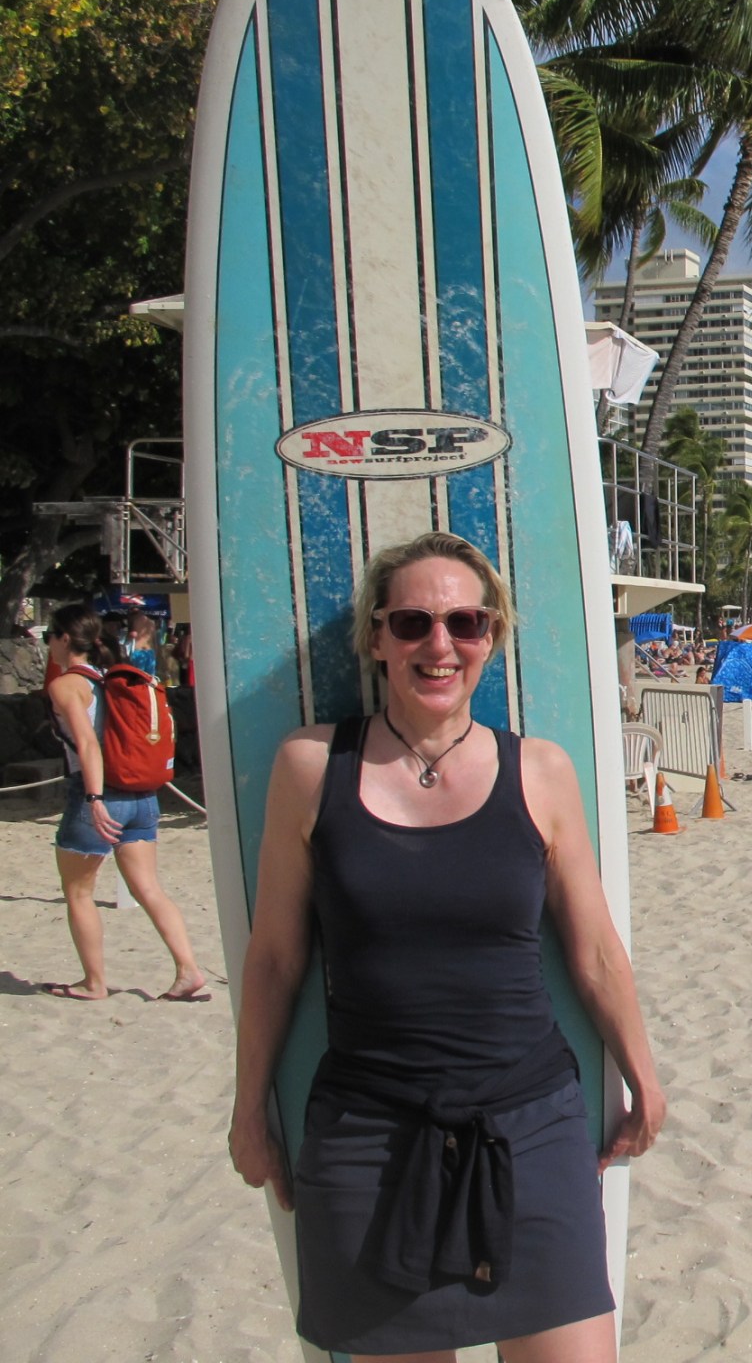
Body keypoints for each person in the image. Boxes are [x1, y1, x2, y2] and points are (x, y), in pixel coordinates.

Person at [229, 532, 663, 1358]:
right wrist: (250, 1109)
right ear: (375, 639)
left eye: (466, 623)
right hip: (369, 1138)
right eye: (412, 623)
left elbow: (596, 948)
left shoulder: (539, 770)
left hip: (530, 1126)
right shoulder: (312, 767)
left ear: (491, 637)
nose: (440, 645)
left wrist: (644, 1076)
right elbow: (277, 957)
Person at [40, 604, 209, 1003]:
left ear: (65, 638)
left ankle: (93, 982)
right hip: (142, 796)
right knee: (149, 888)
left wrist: (95, 799)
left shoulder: (67, 685)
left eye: (50, 635)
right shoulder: (108, 676)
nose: (48, 642)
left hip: (99, 793)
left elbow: (86, 745)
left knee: (79, 893)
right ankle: (189, 969)